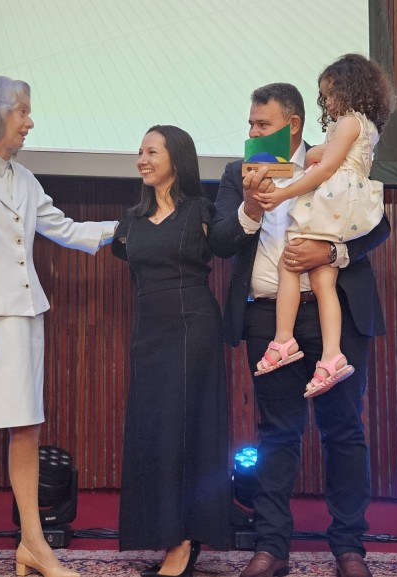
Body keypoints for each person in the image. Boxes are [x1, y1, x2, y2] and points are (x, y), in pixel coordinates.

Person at [0, 75, 116, 577]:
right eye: (22, 112)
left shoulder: (24, 178)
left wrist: (131, 227)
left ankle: (33, 544)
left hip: (26, 315)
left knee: (27, 428)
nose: (30, 122)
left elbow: (67, 230)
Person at [207, 78, 393, 577]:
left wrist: (331, 252)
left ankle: (349, 548)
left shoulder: (335, 156)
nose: (252, 132)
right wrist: (250, 207)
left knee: (344, 430)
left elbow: (378, 225)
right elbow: (221, 241)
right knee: (276, 434)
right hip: (268, 318)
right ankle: (271, 549)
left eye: (261, 124)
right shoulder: (237, 174)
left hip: (337, 314)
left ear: (292, 125)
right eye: (250, 124)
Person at [111, 125, 232, 577]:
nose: (142, 160)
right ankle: (165, 533)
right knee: (154, 432)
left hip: (193, 326)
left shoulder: (201, 210)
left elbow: (232, 241)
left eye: (152, 152)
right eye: (140, 152)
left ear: (176, 160)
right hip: (149, 333)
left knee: (187, 430)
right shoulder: (131, 221)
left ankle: (185, 540)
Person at [251, 54, 395, 399]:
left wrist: (284, 191)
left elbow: (326, 167)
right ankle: (330, 356)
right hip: (347, 203)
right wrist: (316, 154)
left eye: (330, 94)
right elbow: (327, 157)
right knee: (321, 279)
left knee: (290, 261)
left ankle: (284, 340)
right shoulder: (362, 127)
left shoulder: (348, 123)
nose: (326, 102)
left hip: (335, 202)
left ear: (349, 89)